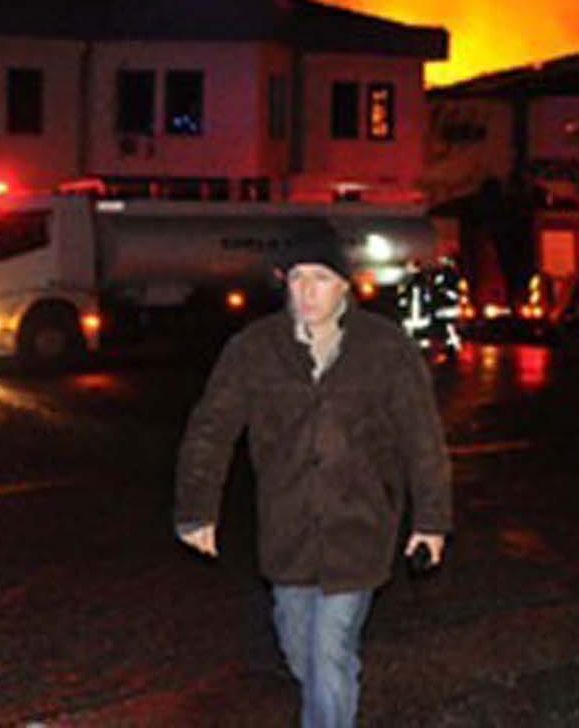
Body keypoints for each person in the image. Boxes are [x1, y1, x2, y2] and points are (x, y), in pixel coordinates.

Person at [174, 222, 453, 728]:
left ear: (345, 284)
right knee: (301, 648)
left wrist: (431, 522)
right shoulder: (254, 350)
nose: (306, 291)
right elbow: (210, 432)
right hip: (286, 534)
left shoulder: (385, 349)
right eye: (297, 277)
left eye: (320, 278)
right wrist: (196, 509)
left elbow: (422, 439)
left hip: (359, 529)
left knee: (329, 653)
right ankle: (334, 695)